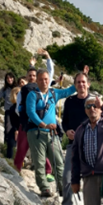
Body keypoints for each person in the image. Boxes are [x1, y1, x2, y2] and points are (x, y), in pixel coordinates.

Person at [60, 67, 103, 205]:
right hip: (74, 145)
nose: (81, 85)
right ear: (75, 85)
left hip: (96, 147)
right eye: (78, 82)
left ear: (88, 84)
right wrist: (67, 132)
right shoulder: (70, 101)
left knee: (93, 182)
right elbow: (65, 121)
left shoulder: (95, 100)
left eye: (83, 82)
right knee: (67, 178)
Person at [26, 68, 76, 197]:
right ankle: (44, 188)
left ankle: (63, 187)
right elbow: (30, 112)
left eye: (46, 79)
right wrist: (44, 125)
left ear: (49, 80)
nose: (44, 82)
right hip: (36, 132)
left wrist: (81, 79)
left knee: (59, 161)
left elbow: (68, 91)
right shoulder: (32, 95)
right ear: (36, 80)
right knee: (40, 162)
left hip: (52, 133)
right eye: (41, 79)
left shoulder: (54, 93)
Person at [71, 94, 103, 205]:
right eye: (89, 106)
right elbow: (75, 157)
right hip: (89, 177)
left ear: (100, 109)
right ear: (85, 110)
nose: (92, 108)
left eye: (95, 106)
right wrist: (75, 180)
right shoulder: (80, 130)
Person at [14, 49, 54, 172]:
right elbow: (18, 108)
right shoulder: (23, 90)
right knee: (21, 148)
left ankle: (48, 171)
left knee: (41, 148)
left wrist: (47, 56)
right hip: (26, 124)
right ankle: (16, 170)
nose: (32, 77)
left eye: (34, 76)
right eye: (30, 76)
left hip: (40, 124)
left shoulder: (43, 87)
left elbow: (51, 72)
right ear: (26, 77)